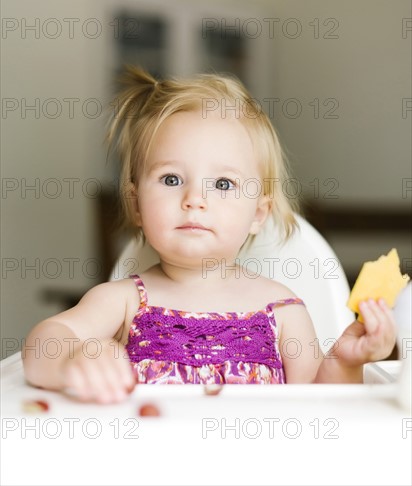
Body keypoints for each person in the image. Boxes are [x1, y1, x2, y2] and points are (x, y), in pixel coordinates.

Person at [23, 67, 396, 403]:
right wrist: (76, 357)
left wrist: (345, 362)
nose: (194, 200)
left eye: (223, 183)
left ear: (258, 214)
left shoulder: (284, 311)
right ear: (136, 204)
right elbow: (40, 349)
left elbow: (319, 412)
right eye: (171, 179)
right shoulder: (122, 302)